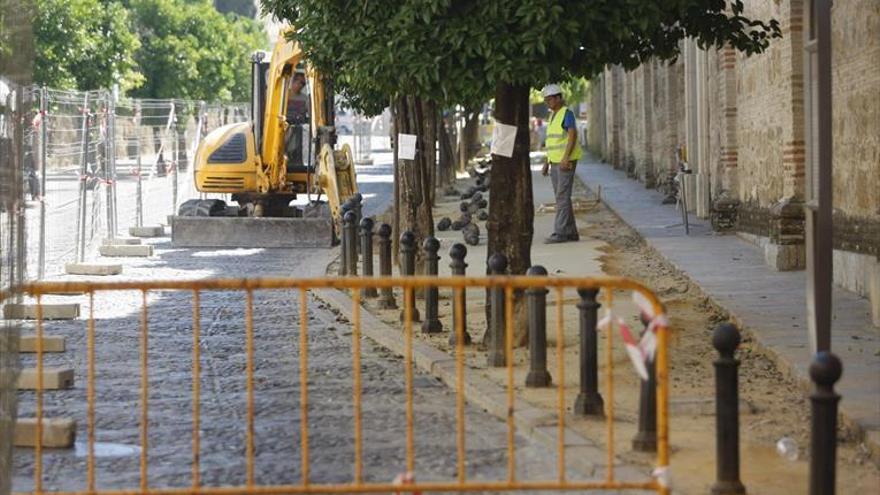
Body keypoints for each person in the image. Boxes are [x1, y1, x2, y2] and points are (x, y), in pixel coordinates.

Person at [540, 84, 582, 243]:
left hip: (566, 161)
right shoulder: (552, 116)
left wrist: (566, 158)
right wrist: (547, 161)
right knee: (562, 197)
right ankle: (571, 232)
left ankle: (561, 232)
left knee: (562, 196)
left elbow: (572, 135)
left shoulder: (567, 113)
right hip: (555, 161)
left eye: (550, 99)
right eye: (546, 100)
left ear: (558, 98)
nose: (547, 102)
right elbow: (552, 142)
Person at [285, 71, 309, 171]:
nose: (301, 86)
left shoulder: (305, 98)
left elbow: (309, 112)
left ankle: (297, 162)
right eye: (299, 82)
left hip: (299, 128)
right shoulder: (285, 95)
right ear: (293, 81)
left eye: (303, 84)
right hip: (285, 126)